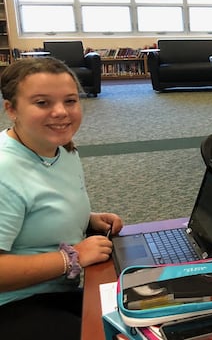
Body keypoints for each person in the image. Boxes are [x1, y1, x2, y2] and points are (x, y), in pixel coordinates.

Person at [0, 57, 122, 339]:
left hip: (56, 291)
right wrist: (72, 257)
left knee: (150, 314)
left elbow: (37, 207)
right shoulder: (5, 169)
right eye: (42, 103)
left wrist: (89, 220)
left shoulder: (61, 149)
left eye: (70, 101)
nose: (61, 112)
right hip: (14, 304)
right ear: (11, 109)